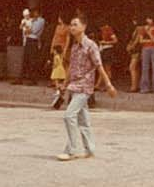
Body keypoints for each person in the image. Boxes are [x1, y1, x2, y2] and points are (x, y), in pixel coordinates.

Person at [57, 14, 117, 161]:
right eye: (71, 25)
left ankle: (71, 150)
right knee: (83, 120)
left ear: (84, 27)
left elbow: (99, 66)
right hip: (74, 85)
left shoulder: (91, 45)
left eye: (75, 24)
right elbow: (71, 67)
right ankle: (90, 149)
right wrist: (64, 84)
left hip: (84, 87)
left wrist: (108, 84)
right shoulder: (75, 46)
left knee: (69, 116)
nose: (72, 27)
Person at [19, 8, 45, 85]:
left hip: (34, 41)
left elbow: (33, 30)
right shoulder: (32, 20)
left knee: (32, 60)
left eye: (35, 12)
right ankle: (21, 79)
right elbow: (24, 28)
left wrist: (27, 29)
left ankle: (33, 80)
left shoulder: (41, 20)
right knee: (25, 59)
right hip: (28, 40)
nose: (33, 14)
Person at [139, 17, 154, 94]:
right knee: (144, 67)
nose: (149, 20)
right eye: (148, 19)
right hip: (145, 48)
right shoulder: (142, 28)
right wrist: (149, 39)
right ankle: (144, 88)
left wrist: (148, 32)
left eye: (150, 19)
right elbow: (140, 40)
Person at [126, 18, 145, 92]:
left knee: (132, 67)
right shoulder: (140, 28)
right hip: (137, 49)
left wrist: (131, 46)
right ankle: (136, 85)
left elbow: (137, 40)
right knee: (136, 68)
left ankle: (134, 87)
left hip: (137, 50)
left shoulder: (139, 28)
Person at [97, 22, 118, 86]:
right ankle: (99, 84)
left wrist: (106, 43)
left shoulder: (109, 30)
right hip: (103, 50)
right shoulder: (102, 31)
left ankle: (107, 85)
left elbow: (115, 40)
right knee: (103, 68)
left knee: (107, 68)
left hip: (108, 49)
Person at [50, 43, 67, 108]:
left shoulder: (56, 56)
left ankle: (58, 89)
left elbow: (55, 64)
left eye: (54, 50)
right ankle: (60, 88)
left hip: (57, 69)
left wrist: (53, 67)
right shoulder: (61, 56)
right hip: (61, 69)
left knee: (56, 80)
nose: (53, 52)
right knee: (60, 81)